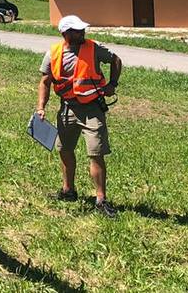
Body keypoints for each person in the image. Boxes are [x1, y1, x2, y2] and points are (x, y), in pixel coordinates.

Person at [36, 14, 123, 218]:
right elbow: (45, 82)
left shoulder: (94, 48)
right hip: (67, 109)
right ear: (65, 33)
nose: (82, 33)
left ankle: (101, 200)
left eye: (82, 29)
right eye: (77, 30)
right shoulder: (53, 53)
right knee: (65, 150)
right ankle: (68, 191)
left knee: (96, 152)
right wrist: (41, 107)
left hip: (92, 110)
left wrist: (112, 84)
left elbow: (115, 60)